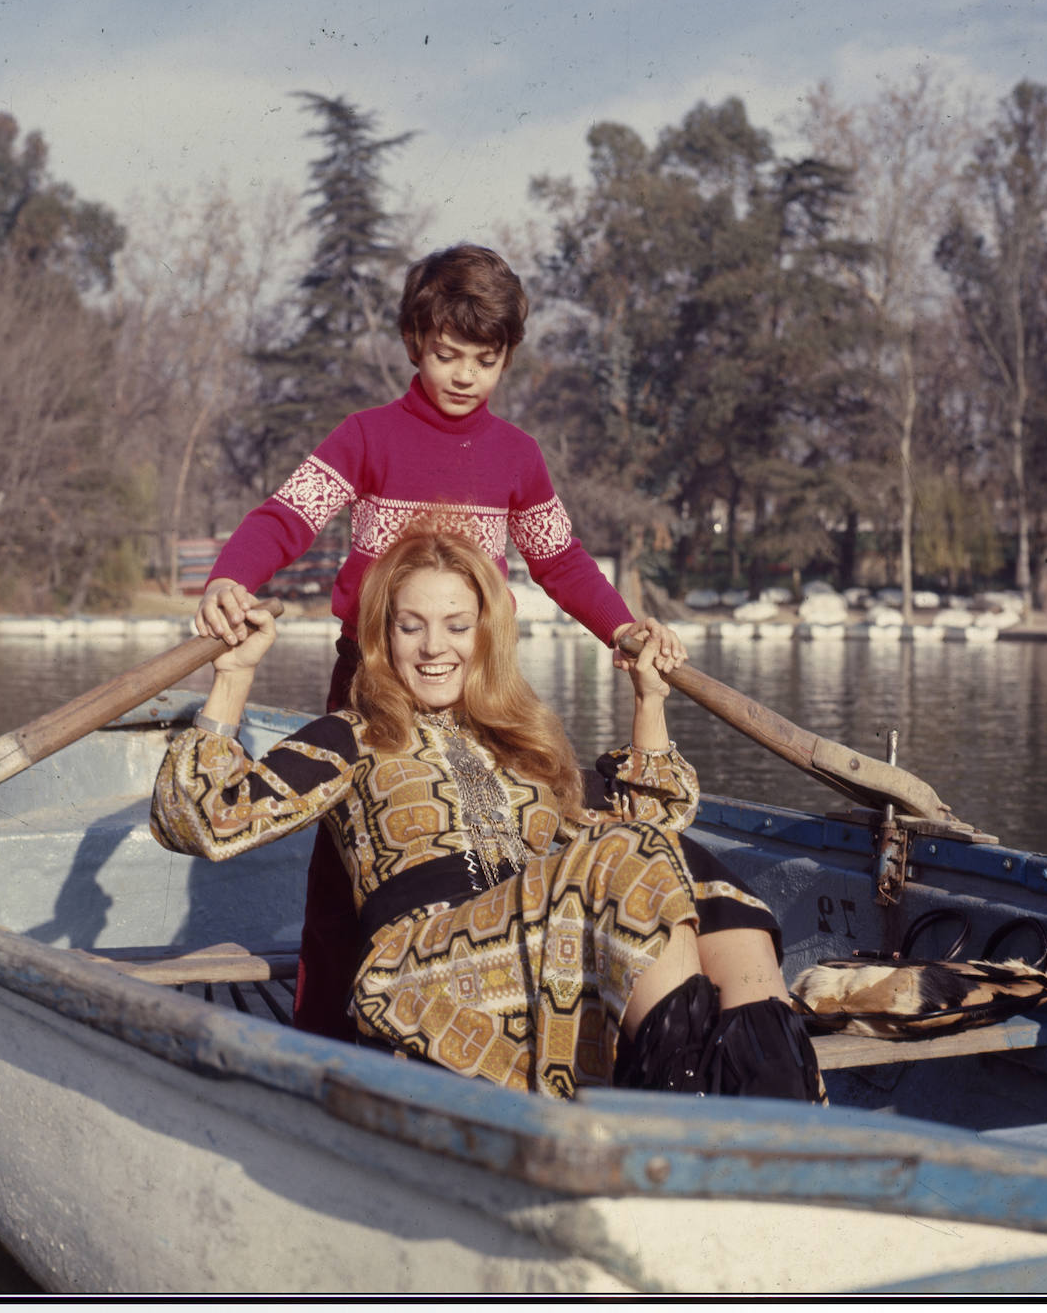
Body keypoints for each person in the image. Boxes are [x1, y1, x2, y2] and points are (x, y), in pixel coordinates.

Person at [194, 244, 684, 1040]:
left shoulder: (516, 457)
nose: (462, 375)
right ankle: (325, 1035)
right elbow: (284, 518)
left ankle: (491, 1012)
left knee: (483, 844)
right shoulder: (366, 437)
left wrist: (623, 626)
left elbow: (559, 560)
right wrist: (229, 579)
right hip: (374, 683)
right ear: (415, 344)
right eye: (446, 355)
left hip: (476, 688)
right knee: (343, 868)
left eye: (483, 361)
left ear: (506, 359)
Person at [152, 529, 824, 1103]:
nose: (433, 648)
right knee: (629, 854)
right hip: (420, 974)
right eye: (410, 625)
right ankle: (689, 1116)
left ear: (485, 632)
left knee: (678, 863)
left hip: (544, 963)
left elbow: (657, 827)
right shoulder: (352, 735)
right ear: (383, 636)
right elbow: (204, 818)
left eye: (455, 625)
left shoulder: (521, 740)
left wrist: (648, 700)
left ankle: (777, 1114)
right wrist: (234, 677)